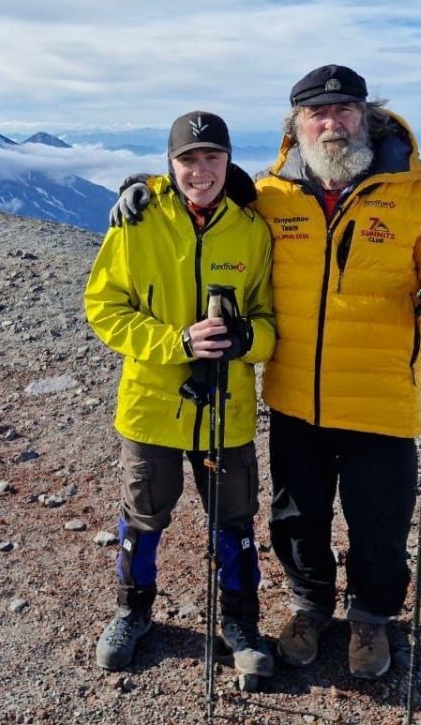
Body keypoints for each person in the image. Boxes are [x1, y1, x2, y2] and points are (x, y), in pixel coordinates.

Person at [110, 65, 421, 680]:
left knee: (379, 519)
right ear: (298, 125)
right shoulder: (272, 194)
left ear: (366, 116)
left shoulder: (420, 189)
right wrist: (138, 188)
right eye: (319, 113)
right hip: (297, 397)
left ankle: (371, 619)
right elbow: (201, 192)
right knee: (297, 516)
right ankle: (310, 607)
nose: (332, 122)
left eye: (344, 110)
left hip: (379, 394)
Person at [84, 111, 277, 675]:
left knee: (234, 520)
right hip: (151, 405)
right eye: (188, 159)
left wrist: (247, 336)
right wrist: (178, 342)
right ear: (171, 165)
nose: (201, 171)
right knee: (143, 516)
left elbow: (270, 322)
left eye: (212, 157)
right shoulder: (137, 223)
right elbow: (104, 307)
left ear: (229, 161)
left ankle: (240, 622)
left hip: (227, 406)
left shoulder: (251, 230)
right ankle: (131, 611)